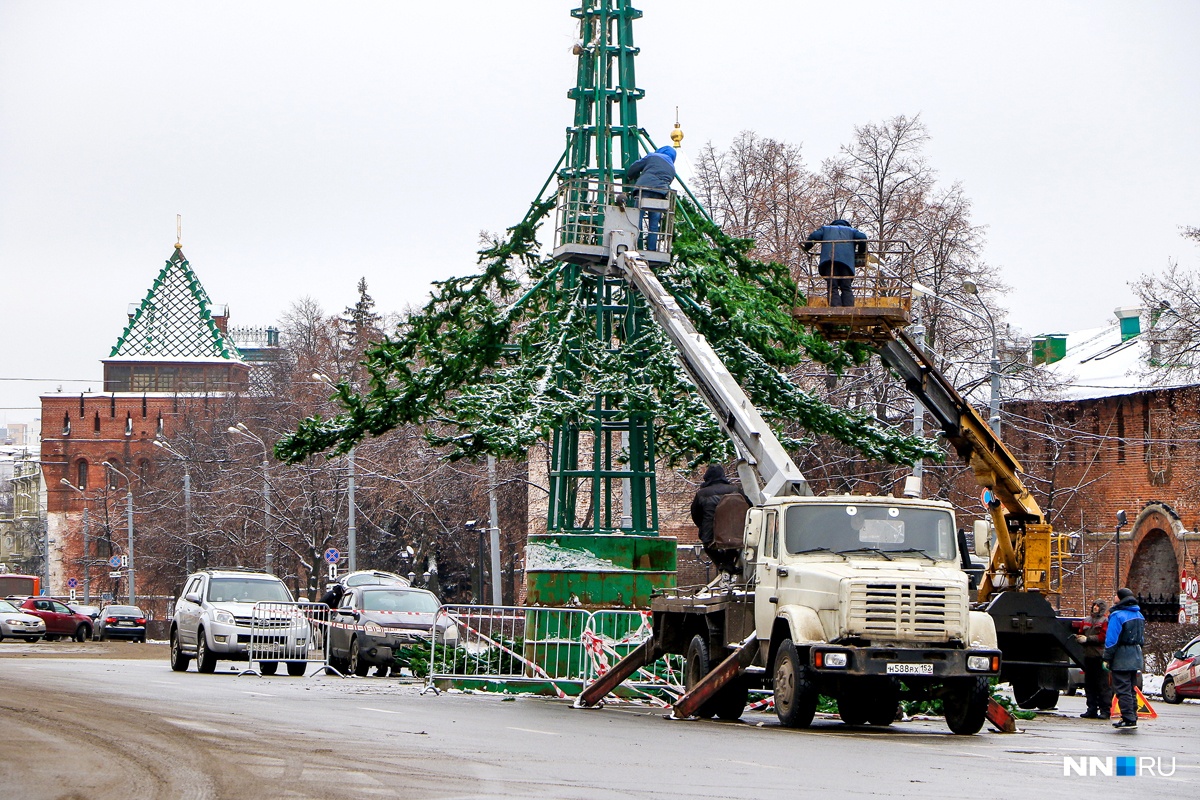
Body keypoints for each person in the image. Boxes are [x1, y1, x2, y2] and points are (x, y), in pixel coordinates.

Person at [801, 219, 868, 307]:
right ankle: (848, 309)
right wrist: (860, 252)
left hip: (829, 260)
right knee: (846, 287)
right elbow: (863, 238)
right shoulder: (852, 231)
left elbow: (814, 236)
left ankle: (835, 308)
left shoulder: (826, 229)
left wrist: (807, 247)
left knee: (832, 287)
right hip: (846, 262)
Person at [1104, 587, 1146, 728]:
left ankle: (1128, 718)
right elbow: (1141, 639)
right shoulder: (1139, 615)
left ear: (1121, 598)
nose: (1114, 597)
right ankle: (1132, 716)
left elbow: (1112, 640)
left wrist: (1107, 658)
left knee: (1122, 688)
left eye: (1116, 595)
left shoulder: (1117, 615)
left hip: (1122, 656)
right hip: (1135, 655)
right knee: (1131, 687)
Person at [690, 464, 743, 571]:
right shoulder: (735, 490)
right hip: (733, 531)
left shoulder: (702, 494)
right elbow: (748, 506)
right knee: (732, 544)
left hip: (710, 532)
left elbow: (695, 514)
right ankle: (728, 564)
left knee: (709, 546)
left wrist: (704, 526)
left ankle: (721, 565)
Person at [624, 145, 677, 251]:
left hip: (644, 189)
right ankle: (651, 249)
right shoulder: (672, 167)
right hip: (660, 194)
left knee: (637, 217)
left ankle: (633, 245)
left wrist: (630, 175)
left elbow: (636, 166)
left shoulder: (653, 156)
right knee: (654, 223)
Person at [1075, 599, 1112, 718]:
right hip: (1088, 656)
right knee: (1089, 685)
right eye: (1094, 605)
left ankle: (1105, 710)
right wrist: (1079, 637)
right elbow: (1081, 631)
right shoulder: (1086, 620)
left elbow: (1103, 637)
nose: (1095, 607)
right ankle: (1091, 709)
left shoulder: (1105, 621)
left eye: (1097, 606)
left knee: (1102, 685)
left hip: (1100, 657)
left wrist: (1087, 639)